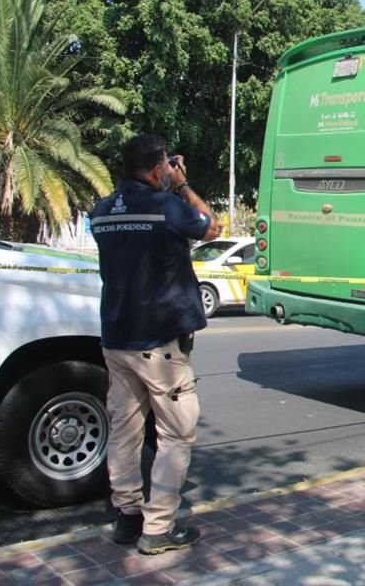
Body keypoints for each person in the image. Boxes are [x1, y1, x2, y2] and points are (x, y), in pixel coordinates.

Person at [91, 134, 219, 555]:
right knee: (176, 433)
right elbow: (211, 225)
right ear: (157, 168)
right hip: (159, 341)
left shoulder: (102, 212)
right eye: (166, 164)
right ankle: (158, 528)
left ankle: (127, 518)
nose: (169, 169)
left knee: (125, 432)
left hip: (117, 338)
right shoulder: (167, 207)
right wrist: (181, 185)